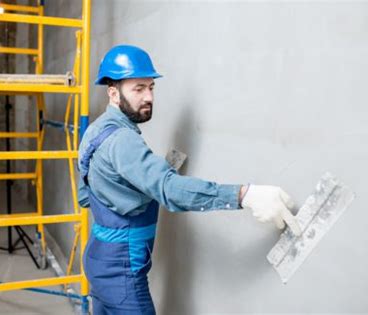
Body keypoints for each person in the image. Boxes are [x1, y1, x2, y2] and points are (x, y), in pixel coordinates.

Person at [78, 45, 301, 315]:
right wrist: (245, 195)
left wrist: (142, 178)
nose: (148, 97)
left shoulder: (94, 131)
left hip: (97, 260)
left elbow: (86, 195)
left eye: (151, 87)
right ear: (113, 93)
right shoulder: (124, 141)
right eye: (138, 89)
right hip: (122, 272)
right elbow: (170, 191)